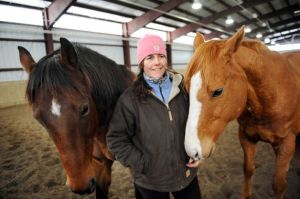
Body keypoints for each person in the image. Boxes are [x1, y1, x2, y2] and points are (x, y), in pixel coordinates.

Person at [106, 34, 201, 199]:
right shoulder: (130, 99)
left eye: (161, 56)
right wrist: (140, 163)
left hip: (185, 173)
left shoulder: (182, 90)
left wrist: (196, 152)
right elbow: (115, 139)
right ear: (142, 63)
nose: (157, 62)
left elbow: (195, 123)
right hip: (150, 181)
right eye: (150, 57)